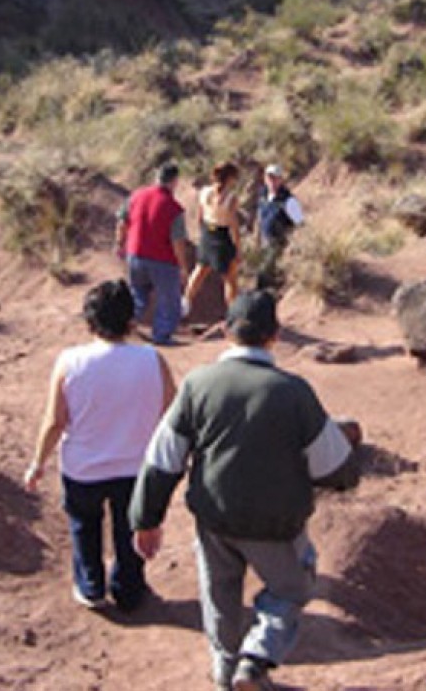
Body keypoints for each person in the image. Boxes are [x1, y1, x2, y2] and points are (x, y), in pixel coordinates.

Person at [129, 289, 359, 691]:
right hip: (276, 523)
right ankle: (255, 659)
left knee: (219, 595)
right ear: (276, 334)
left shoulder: (198, 385)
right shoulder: (294, 392)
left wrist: (146, 518)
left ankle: (224, 672)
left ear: (225, 332)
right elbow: (335, 466)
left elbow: (163, 457)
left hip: (214, 518)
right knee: (291, 589)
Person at [24, 279, 176, 611]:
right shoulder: (152, 360)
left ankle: (91, 585)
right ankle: (129, 589)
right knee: (130, 529)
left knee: (84, 526)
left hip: (83, 468)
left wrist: (38, 463)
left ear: (89, 322)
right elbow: (173, 414)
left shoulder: (70, 361)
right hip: (136, 467)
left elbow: (55, 421)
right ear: (130, 321)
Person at [115, 162, 190, 347]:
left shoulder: (136, 196)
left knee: (137, 295)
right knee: (169, 299)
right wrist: (183, 266)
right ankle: (162, 336)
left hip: (135, 254)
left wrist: (119, 243)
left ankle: (122, 328)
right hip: (162, 260)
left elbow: (122, 221)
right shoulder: (174, 208)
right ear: (174, 181)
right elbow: (177, 241)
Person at [183, 161, 241, 314]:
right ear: (230, 178)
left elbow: (200, 216)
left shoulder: (204, 192)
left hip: (208, 234)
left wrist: (202, 234)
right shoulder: (231, 198)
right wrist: (237, 248)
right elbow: (233, 225)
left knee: (200, 270)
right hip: (222, 236)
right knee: (230, 279)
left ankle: (186, 302)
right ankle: (233, 313)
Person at [255, 163, 304, 291]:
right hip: (266, 241)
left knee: (264, 273)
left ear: (281, 180)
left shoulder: (288, 201)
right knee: (265, 272)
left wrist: (294, 248)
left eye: (275, 178)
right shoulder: (263, 195)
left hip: (280, 243)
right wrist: (257, 239)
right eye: (269, 178)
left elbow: (300, 225)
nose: (272, 181)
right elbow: (260, 217)